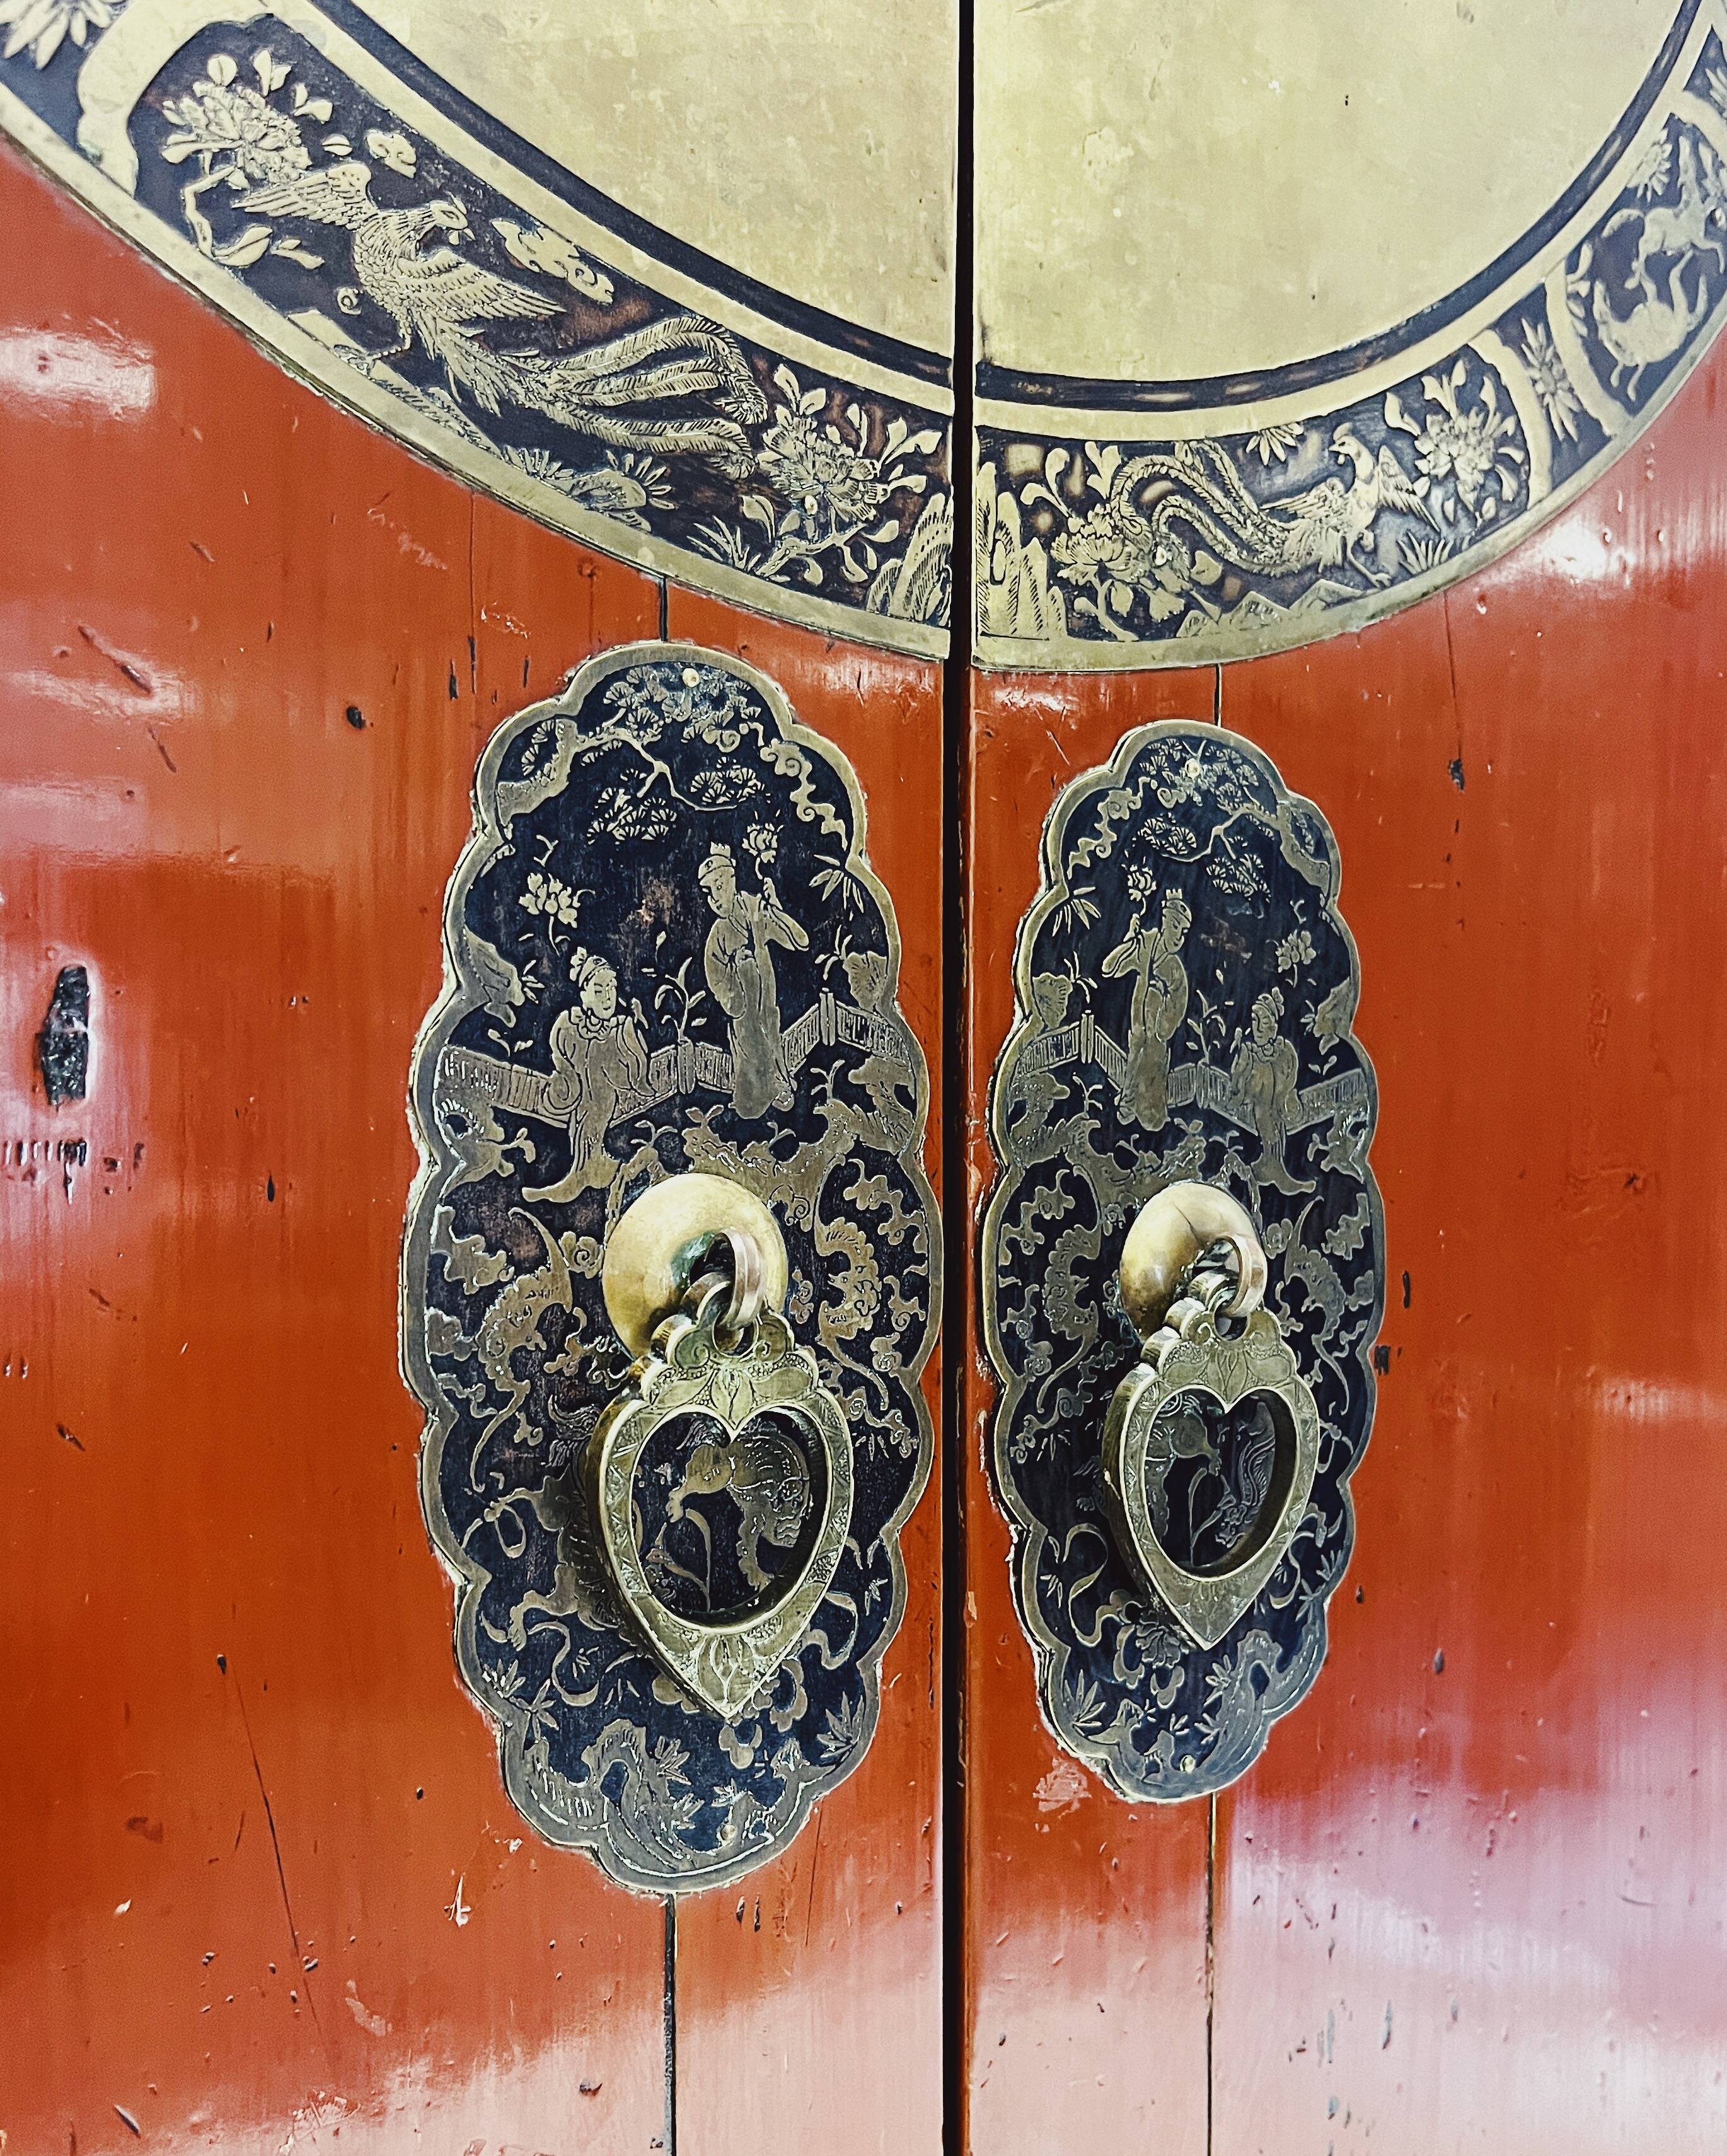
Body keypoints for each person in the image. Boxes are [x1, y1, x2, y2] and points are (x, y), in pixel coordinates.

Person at [524, 949, 649, 1203]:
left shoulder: (619, 1029)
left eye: (612, 989)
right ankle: (586, 1173)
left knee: (593, 1127)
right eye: (599, 990)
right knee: (581, 1134)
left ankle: (583, 1176)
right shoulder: (567, 1026)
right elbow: (560, 1060)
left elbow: (636, 1069)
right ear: (583, 995)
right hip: (579, 1101)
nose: (607, 998)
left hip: (603, 1103)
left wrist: (637, 1028)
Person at [698, 843, 807, 1118]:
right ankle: (752, 1104)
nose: (716, 898)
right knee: (752, 1054)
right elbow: (716, 975)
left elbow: (800, 942)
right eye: (709, 893)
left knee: (771, 1037)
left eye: (720, 887)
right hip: (743, 1009)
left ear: (733, 879)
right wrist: (735, 995)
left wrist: (778, 910)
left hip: (767, 1000)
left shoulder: (755, 910)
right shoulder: (719, 933)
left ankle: (778, 1087)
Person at [1101, 888, 1192, 1130]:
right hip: (1137, 1028)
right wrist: (1128, 942)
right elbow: (1109, 969)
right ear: (1164, 920)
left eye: (1183, 932)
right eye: (1175, 927)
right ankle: (1127, 1105)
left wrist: (1161, 1027)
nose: (1179, 937)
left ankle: (1151, 1124)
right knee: (1134, 1057)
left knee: (1152, 1081)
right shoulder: (1145, 945)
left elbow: (1178, 1006)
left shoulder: (1175, 968)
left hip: (1157, 1038)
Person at [1230, 985, 1315, 1194]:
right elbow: (1237, 1080)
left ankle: (1275, 1165)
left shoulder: (1284, 1051)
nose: (1258, 1028)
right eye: (1254, 1020)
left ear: (1274, 1029)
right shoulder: (1249, 1053)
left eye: (1264, 1022)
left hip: (1278, 1106)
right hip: (1259, 1106)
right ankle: (1268, 1162)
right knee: (1264, 1078)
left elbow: (1291, 1074)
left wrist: (1288, 1096)